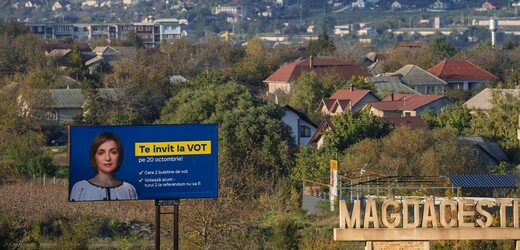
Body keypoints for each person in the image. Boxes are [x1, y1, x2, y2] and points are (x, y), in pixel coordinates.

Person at [70, 132, 138, 201]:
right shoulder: (80, 188)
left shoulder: (129, 189)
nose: (107, 158)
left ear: (120, 156)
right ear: (94, 157)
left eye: (113, 152)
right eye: (101, 153)